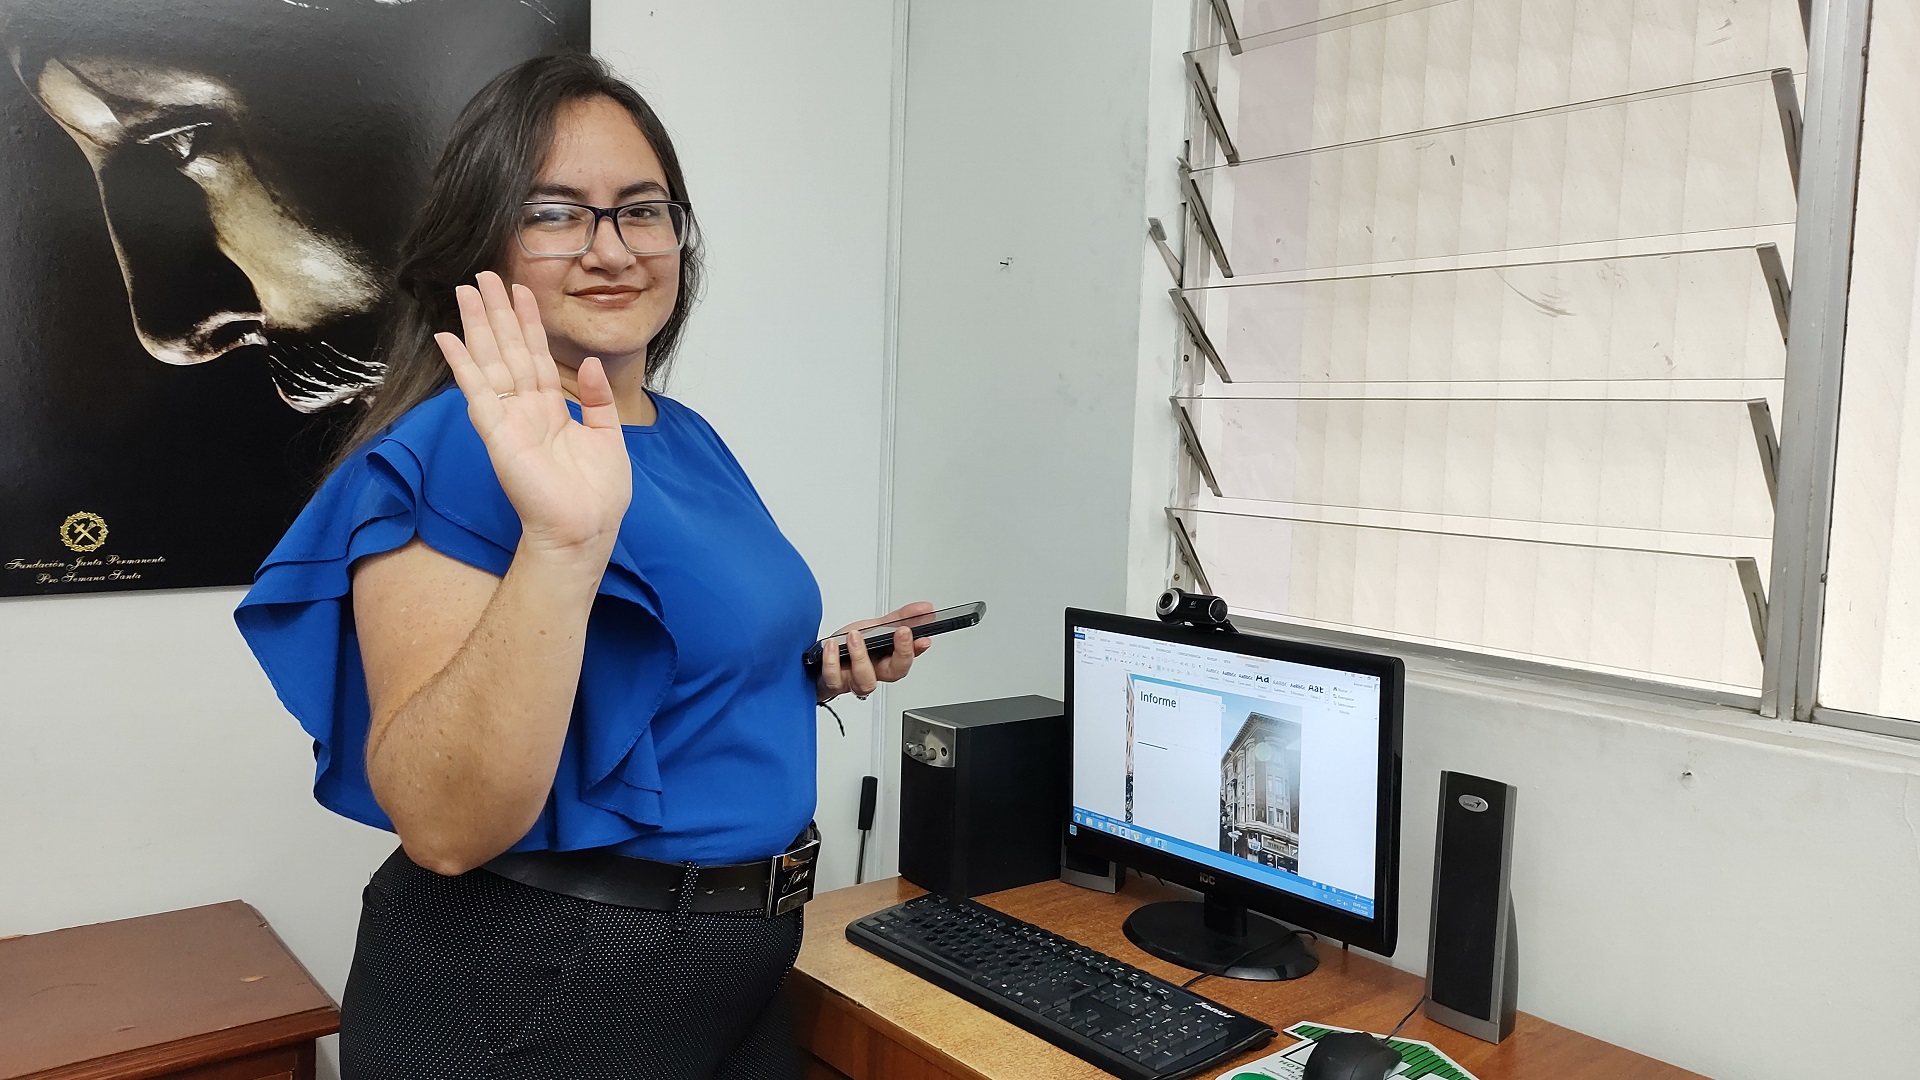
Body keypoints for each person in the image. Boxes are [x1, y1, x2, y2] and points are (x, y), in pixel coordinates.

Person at [234, 53, 927, 1079]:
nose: (611, 249)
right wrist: (563, 540)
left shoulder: (685, 437)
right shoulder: (454, 449)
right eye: (555, 213)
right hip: (546, 981)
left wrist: (794, 667)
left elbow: (643, 664)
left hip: (735, 962)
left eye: (641, 210)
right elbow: (443, 827)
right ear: (484, 243)